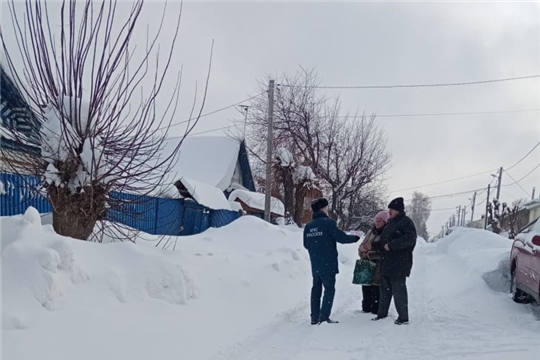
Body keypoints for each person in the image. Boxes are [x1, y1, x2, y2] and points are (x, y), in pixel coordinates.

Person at [303, 197, 360, 325]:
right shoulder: (329, 223)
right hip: (328, 263)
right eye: (326, 207)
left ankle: (314, 317)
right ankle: (324, 317)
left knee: (316, 290)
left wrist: (316, 249)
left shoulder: (308, 226)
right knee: (329, 289)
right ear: (323, 209)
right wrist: (355, 238)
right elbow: (341, 238)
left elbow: (306, 245)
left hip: (315, 263)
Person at [364, 197, 416, 325]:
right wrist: (373, 246)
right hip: (386, 263)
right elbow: (383, 243)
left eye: (392, 209)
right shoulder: (390, 223)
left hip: (399, 264)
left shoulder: (406, 222)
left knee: (399, 292)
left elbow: (410, 240)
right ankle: (381, 314)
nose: (390, 211)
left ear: (398, 210)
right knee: (384, 291)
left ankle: (403, 318)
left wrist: (392, 245)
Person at [358, 210, 389, 314]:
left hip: (378, 265)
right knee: (365, 284)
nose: (377, 223)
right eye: (376, 220)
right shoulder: (371, 232)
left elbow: (384, 250)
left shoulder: (386, 233)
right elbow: (362, 245)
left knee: (376, 286)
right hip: (366, 264)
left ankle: (375, 307)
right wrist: (362, 252)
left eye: (380, 221)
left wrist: (371, 253)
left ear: (385, 222)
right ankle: (366, 307)